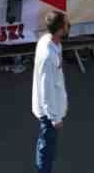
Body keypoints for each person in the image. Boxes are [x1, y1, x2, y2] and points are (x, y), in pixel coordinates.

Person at [31, 10, 68, 173]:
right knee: (47, 148)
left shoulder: (49, 41)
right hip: (49, 112)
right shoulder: (48, 56)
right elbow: (47, 91)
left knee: (46, 144)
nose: (69, 27)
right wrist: (54, 118)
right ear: (60, 29)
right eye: (66, 24)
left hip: (52, 108)